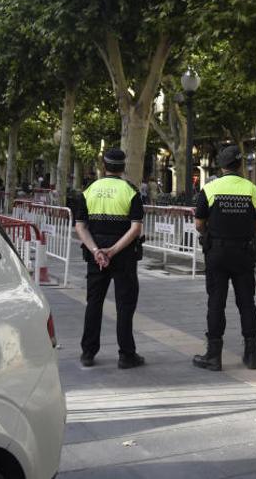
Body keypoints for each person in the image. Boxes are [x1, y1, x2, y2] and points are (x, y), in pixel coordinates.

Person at [193, 146, 256, 371]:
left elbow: (198, 224)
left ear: (221, 166)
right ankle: (251, 355)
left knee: (216, 302)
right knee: (247, 303)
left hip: (216, 253)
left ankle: (214, 356)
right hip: (244, 253)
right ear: (240, 165)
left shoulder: (210, 189)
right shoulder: (253, 189)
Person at [72, 149, 146, 369]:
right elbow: (136, 228)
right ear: (123, 167)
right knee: (125, 305)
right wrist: (113, 250)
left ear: (104, 166)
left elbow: (80, 226)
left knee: (94, 302)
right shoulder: (131, 191)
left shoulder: (89, 190)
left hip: (96, 258)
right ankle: (126, 354)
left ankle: (88, 352)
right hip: (124, 256)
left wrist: (96, 251)